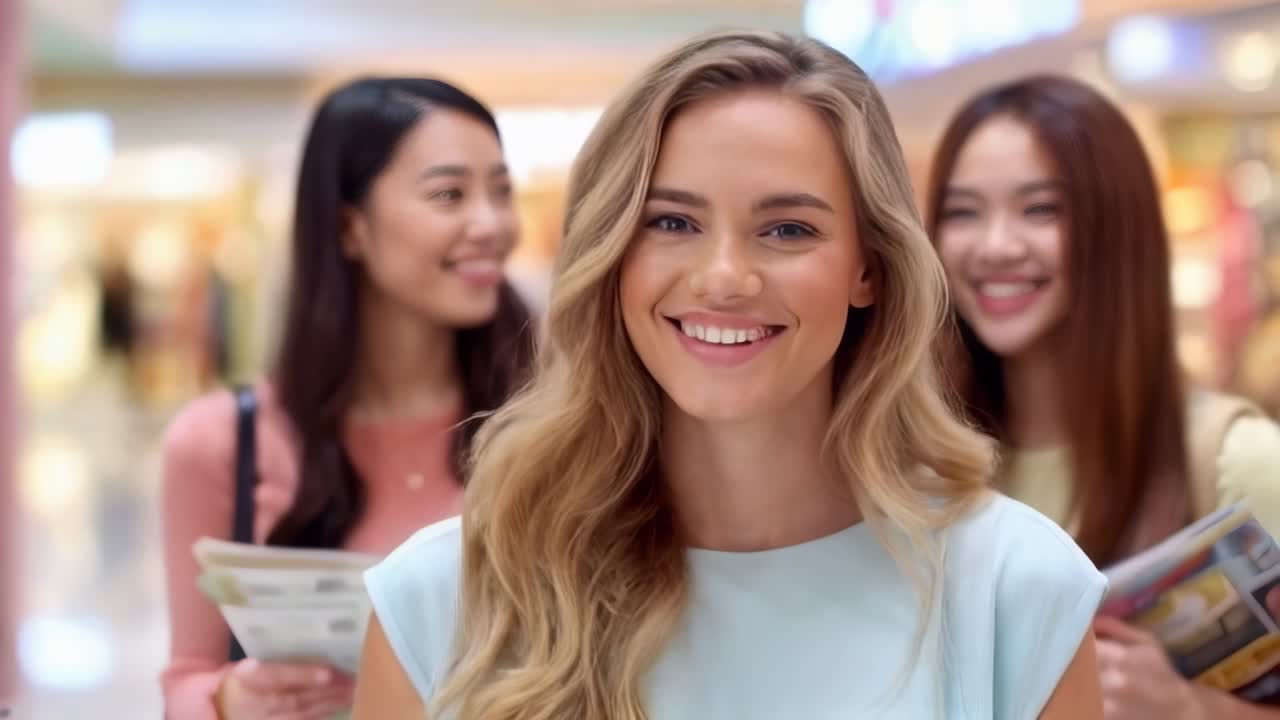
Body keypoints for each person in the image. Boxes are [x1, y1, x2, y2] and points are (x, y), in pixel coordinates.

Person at [351, 31, 1105, 719]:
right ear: (611, 252)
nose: (723, 278)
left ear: (869, 267)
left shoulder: (1014, 589)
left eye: (788, 229)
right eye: (672, 222)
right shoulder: (441, 598)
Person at [159, 77, 536, 720]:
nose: (492, 225)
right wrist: (233, 698)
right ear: (349, 226)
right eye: (449, 194)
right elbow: (186, 682)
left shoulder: (547, 421)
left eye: (501, 192)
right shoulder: (222, 442)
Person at [927, 74, 1280, 720]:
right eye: (963, 212)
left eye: (1041, 209)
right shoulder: (915, 460)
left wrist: (1187, 708)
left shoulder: (1236, 459)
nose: (995, 246)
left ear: (1119, 228)